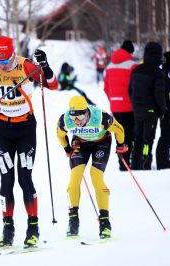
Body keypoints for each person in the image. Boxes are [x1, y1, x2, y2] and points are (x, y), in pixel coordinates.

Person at [0, 36, 58, 248]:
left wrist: (46, 66)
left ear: (13, 55)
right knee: (6, 180)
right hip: (2, 128)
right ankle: (8, 228)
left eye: (6, 61)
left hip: (25, 129)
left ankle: (33, 227)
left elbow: (53, 85)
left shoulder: (26, 66)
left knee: (24, 178)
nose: (3, 67)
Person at [56, 96, 127, 239]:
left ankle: (105, 222)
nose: (77, 121)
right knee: (74, 179)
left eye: (81, 116)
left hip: (101, 143)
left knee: (96, 176)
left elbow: (119, 129)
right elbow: (60, 135)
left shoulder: (101, 118)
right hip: (80, 144)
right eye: (74, 117)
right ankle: (73, 219)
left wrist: (121, 145)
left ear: (87, 112)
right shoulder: (65, 120)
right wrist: (67, 149)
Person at [129, 41, 167, 170]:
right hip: (151, 111)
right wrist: (163, 109)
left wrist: (135, 104)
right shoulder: (158, 72)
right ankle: (145, 162)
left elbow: (130, 90)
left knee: (137, 137)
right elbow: (159, 94)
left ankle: (134, 163)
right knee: (148, 139)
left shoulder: (136, 70)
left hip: (137, 109)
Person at [104, 40, 138, 171]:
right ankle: (130, 161)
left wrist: (113, 100)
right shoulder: (133, 66)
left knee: (119, 134)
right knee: (130, 135)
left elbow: (106, 88)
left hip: (115, 107)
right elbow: (136, 87)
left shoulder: (109, 66)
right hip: (130, 107)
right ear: (131, 51)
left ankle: (121, 162)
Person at [156, 51, 170, 169]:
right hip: (166, 108)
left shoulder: (161, 71)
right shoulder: (164, 72)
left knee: (165, 135)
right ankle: (162, 162)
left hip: (163, 108)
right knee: (165, 135)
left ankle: (162, 161)